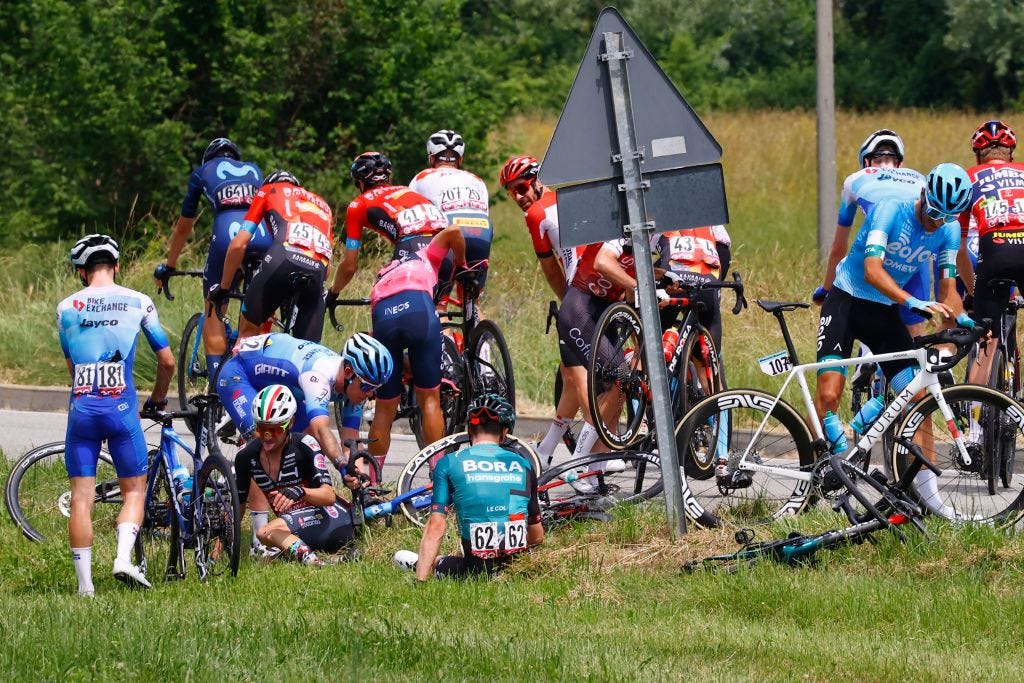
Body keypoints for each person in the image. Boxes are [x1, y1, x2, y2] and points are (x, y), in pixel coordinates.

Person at [814, 163, 973, 513]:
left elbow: (946, 289)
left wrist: (962, 316)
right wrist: (911, 301)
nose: (936, 221)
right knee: (829, 393)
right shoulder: (890, 211)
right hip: (847, 301)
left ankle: (930, 500)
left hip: (883, 314)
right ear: (922, 196)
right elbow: (872, 271)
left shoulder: (946, 231)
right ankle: (835, 461)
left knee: (916, 398)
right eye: (933, 211)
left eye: (946, 216)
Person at [58, 235, 175, 594]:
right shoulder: (139, 302)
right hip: (121, 410)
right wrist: (155, 397)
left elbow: (71, 366)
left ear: (81, 271)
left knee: (81, 497)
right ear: (117, 266)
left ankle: (85, 588)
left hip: (82, 412)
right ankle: (123, 559)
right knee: (135, 492)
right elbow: (167, 361)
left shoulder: (66, 308)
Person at [216, 332, 392, 552]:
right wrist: (340, 464)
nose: (371, 395)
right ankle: (257, 543)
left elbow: (350, 440)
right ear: (348, 372)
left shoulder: (353, 384)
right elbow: (321, 430)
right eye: (367, 387)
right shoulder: (318, 375)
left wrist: (358, 476)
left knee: (299, 442)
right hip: (239, 375)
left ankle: (301, 520)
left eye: (376, 388)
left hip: (282, 386)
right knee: (261, 446)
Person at [154, 137, 271, 382]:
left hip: (229, 234)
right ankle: (253, 373)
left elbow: (185, 226)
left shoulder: (201, 172)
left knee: (214, 307)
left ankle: (217, 386)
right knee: (255, 310)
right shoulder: (255, 169)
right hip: (263, 236)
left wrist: (170, 265)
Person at [393, 394, 543, 580]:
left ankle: (424, 564)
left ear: (470, 429)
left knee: (404, 556)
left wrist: (421, 581)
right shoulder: (524, 464)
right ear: (505, 432)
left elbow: (436, 525)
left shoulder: (449, 462)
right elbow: (536, 535)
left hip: (475, 569)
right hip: (517, 565)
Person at [499, 155, 582, 462]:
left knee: (579, 374)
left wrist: (569, 302)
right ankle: (547, 448)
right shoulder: (571, 199)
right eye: (511, 193)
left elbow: (549, 268)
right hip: (608, 284)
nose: (518, 197)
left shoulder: (536, 213)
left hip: (583, 290)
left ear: (537, 180)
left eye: (521, 187)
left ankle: (587, 452)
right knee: (568, 370)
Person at [367, 225, 467, 465]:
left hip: (383, 313)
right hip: (419, 308)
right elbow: (454, 231)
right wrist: (460, 265)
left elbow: (379, 337)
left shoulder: (383, 275)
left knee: (384, 407)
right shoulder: (426, 255)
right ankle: (437, 476)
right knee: (430, 401)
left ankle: (372, 483)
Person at [815, 129, 929, 332]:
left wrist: (826, 288)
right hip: (914, 263)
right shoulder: (920, 179)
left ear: (866, 162)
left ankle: (867, 361)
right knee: (915, 344)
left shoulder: (856, 179)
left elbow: (839, 248)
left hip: (878, 264)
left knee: (870, 328)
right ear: (899, 163)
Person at [234, 385, 356, 566]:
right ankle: (332, 560)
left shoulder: (304, 445)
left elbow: (329, 496)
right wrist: (215, 553)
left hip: (333, 519)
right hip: (296, 527)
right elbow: (238, 509)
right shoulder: (246, 457)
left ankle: (317, 564)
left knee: (264, 533)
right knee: (264, 562)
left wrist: (300, 491)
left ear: (290, 424)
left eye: (274, 430)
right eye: (261, 428)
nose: (267, 437)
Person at [210, 170, 333, 343]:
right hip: (317, 272)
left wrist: (224, 288)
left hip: (282, 259)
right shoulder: (323, 206)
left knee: (247, 335)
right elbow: (328, 270)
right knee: (307, 351)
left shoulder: (269, 190)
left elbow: (239, 243)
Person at [327, 152, 450, 303]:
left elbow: (349, 266)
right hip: (448, 248)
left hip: (412, 248)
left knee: (388, 306)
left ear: (360, 183)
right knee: (438, 314)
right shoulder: (409, 191)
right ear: (389, 178)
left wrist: (332, 293)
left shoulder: (358, 204)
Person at [959, 121, 1024, 388]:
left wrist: (974, 292)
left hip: (993, 251)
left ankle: (974, 428)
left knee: (986, 341)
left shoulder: (968, 177)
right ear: (1012, 154)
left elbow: (959, 249)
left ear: (978, 156)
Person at [409, 130, 492, 304]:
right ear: (460, 160)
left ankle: (443, 316)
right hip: (482, 233)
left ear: (431, 157)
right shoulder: (477, 180)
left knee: (439, 305)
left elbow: (412, 220)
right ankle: (481, 329)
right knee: (471, 305)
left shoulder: (422, 177)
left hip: (451, 233)